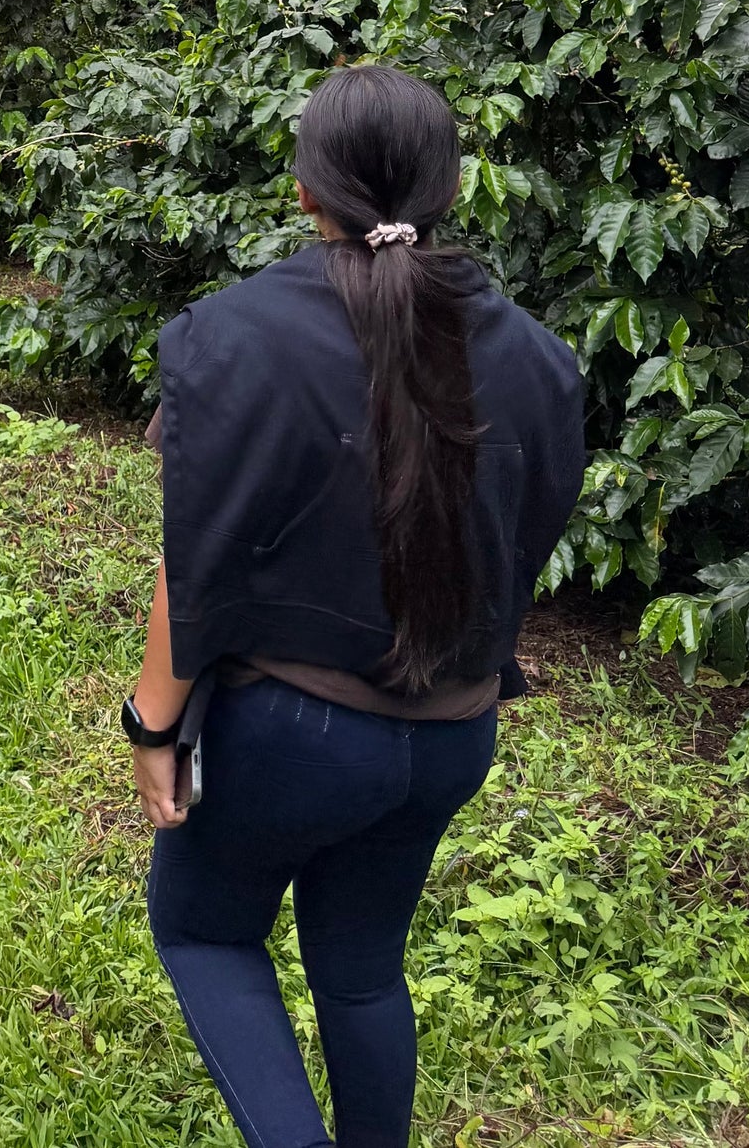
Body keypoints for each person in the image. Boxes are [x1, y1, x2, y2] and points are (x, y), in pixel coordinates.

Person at [125, 64, 585, 1148]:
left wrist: (151, 725)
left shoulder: (232, 335)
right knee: (363, 969)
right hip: (453, 736)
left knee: (205, 935)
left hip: (292, 736)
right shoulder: (538, 356)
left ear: (304, 188)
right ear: (450, 187)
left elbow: (195, 554)